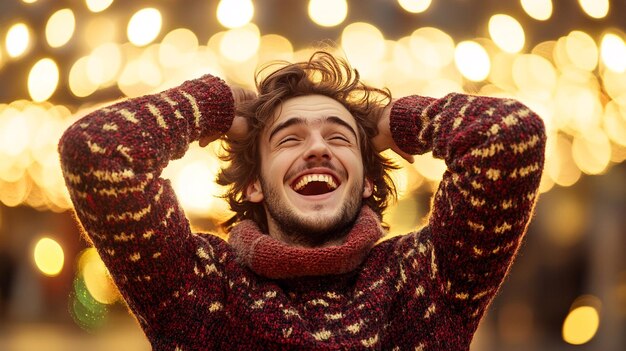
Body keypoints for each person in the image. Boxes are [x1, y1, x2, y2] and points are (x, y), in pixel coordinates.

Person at [59, 51, 546, 350]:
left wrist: (397, 120)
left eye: (339, 138)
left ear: (369, 182)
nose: (317, 147)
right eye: (289, 140)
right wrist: (218, 103)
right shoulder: (195, 284)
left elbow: (509, 137)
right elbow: (96, 150)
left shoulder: (425, 279)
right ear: (253, 185)